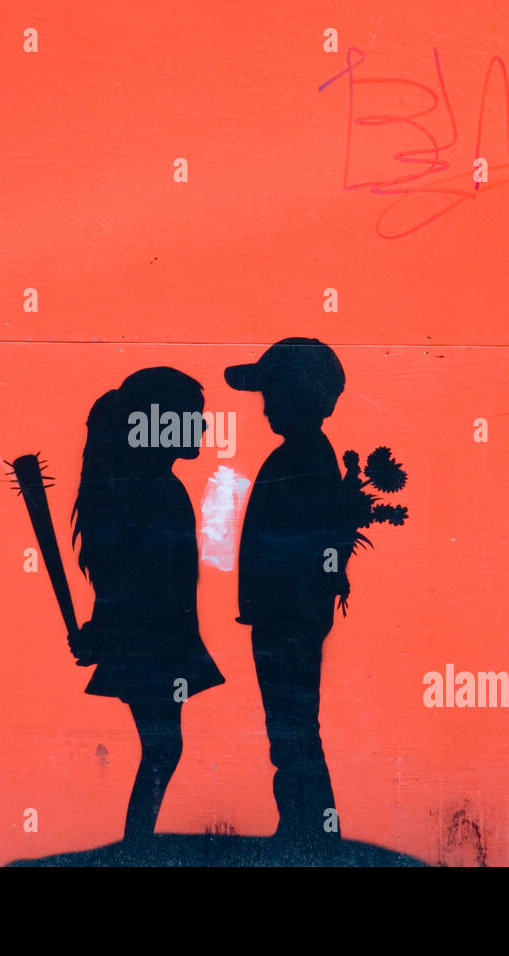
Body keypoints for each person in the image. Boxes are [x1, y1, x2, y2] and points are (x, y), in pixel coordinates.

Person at [69, 367, 225, 843]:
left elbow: (125, 577)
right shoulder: (155, 493)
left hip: (150, 641)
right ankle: (137, 845)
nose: (201, 428)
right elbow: (137, 580)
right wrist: (108, 632)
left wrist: (100, 631)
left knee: (162, 748)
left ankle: (138, 844)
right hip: (153, 645)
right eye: (192, 418)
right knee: (163, 748)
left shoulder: (144, 488)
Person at [225, 338, 353, 845]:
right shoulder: (303, 456)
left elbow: (303, 545)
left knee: (292, 724)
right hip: (286, 615)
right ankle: (304, 827)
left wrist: (285, 604)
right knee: (291, 724)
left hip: (288, 618)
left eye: (273, 393)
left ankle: (310, 831)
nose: (265, 405)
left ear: (299, 396)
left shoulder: (302, 459)